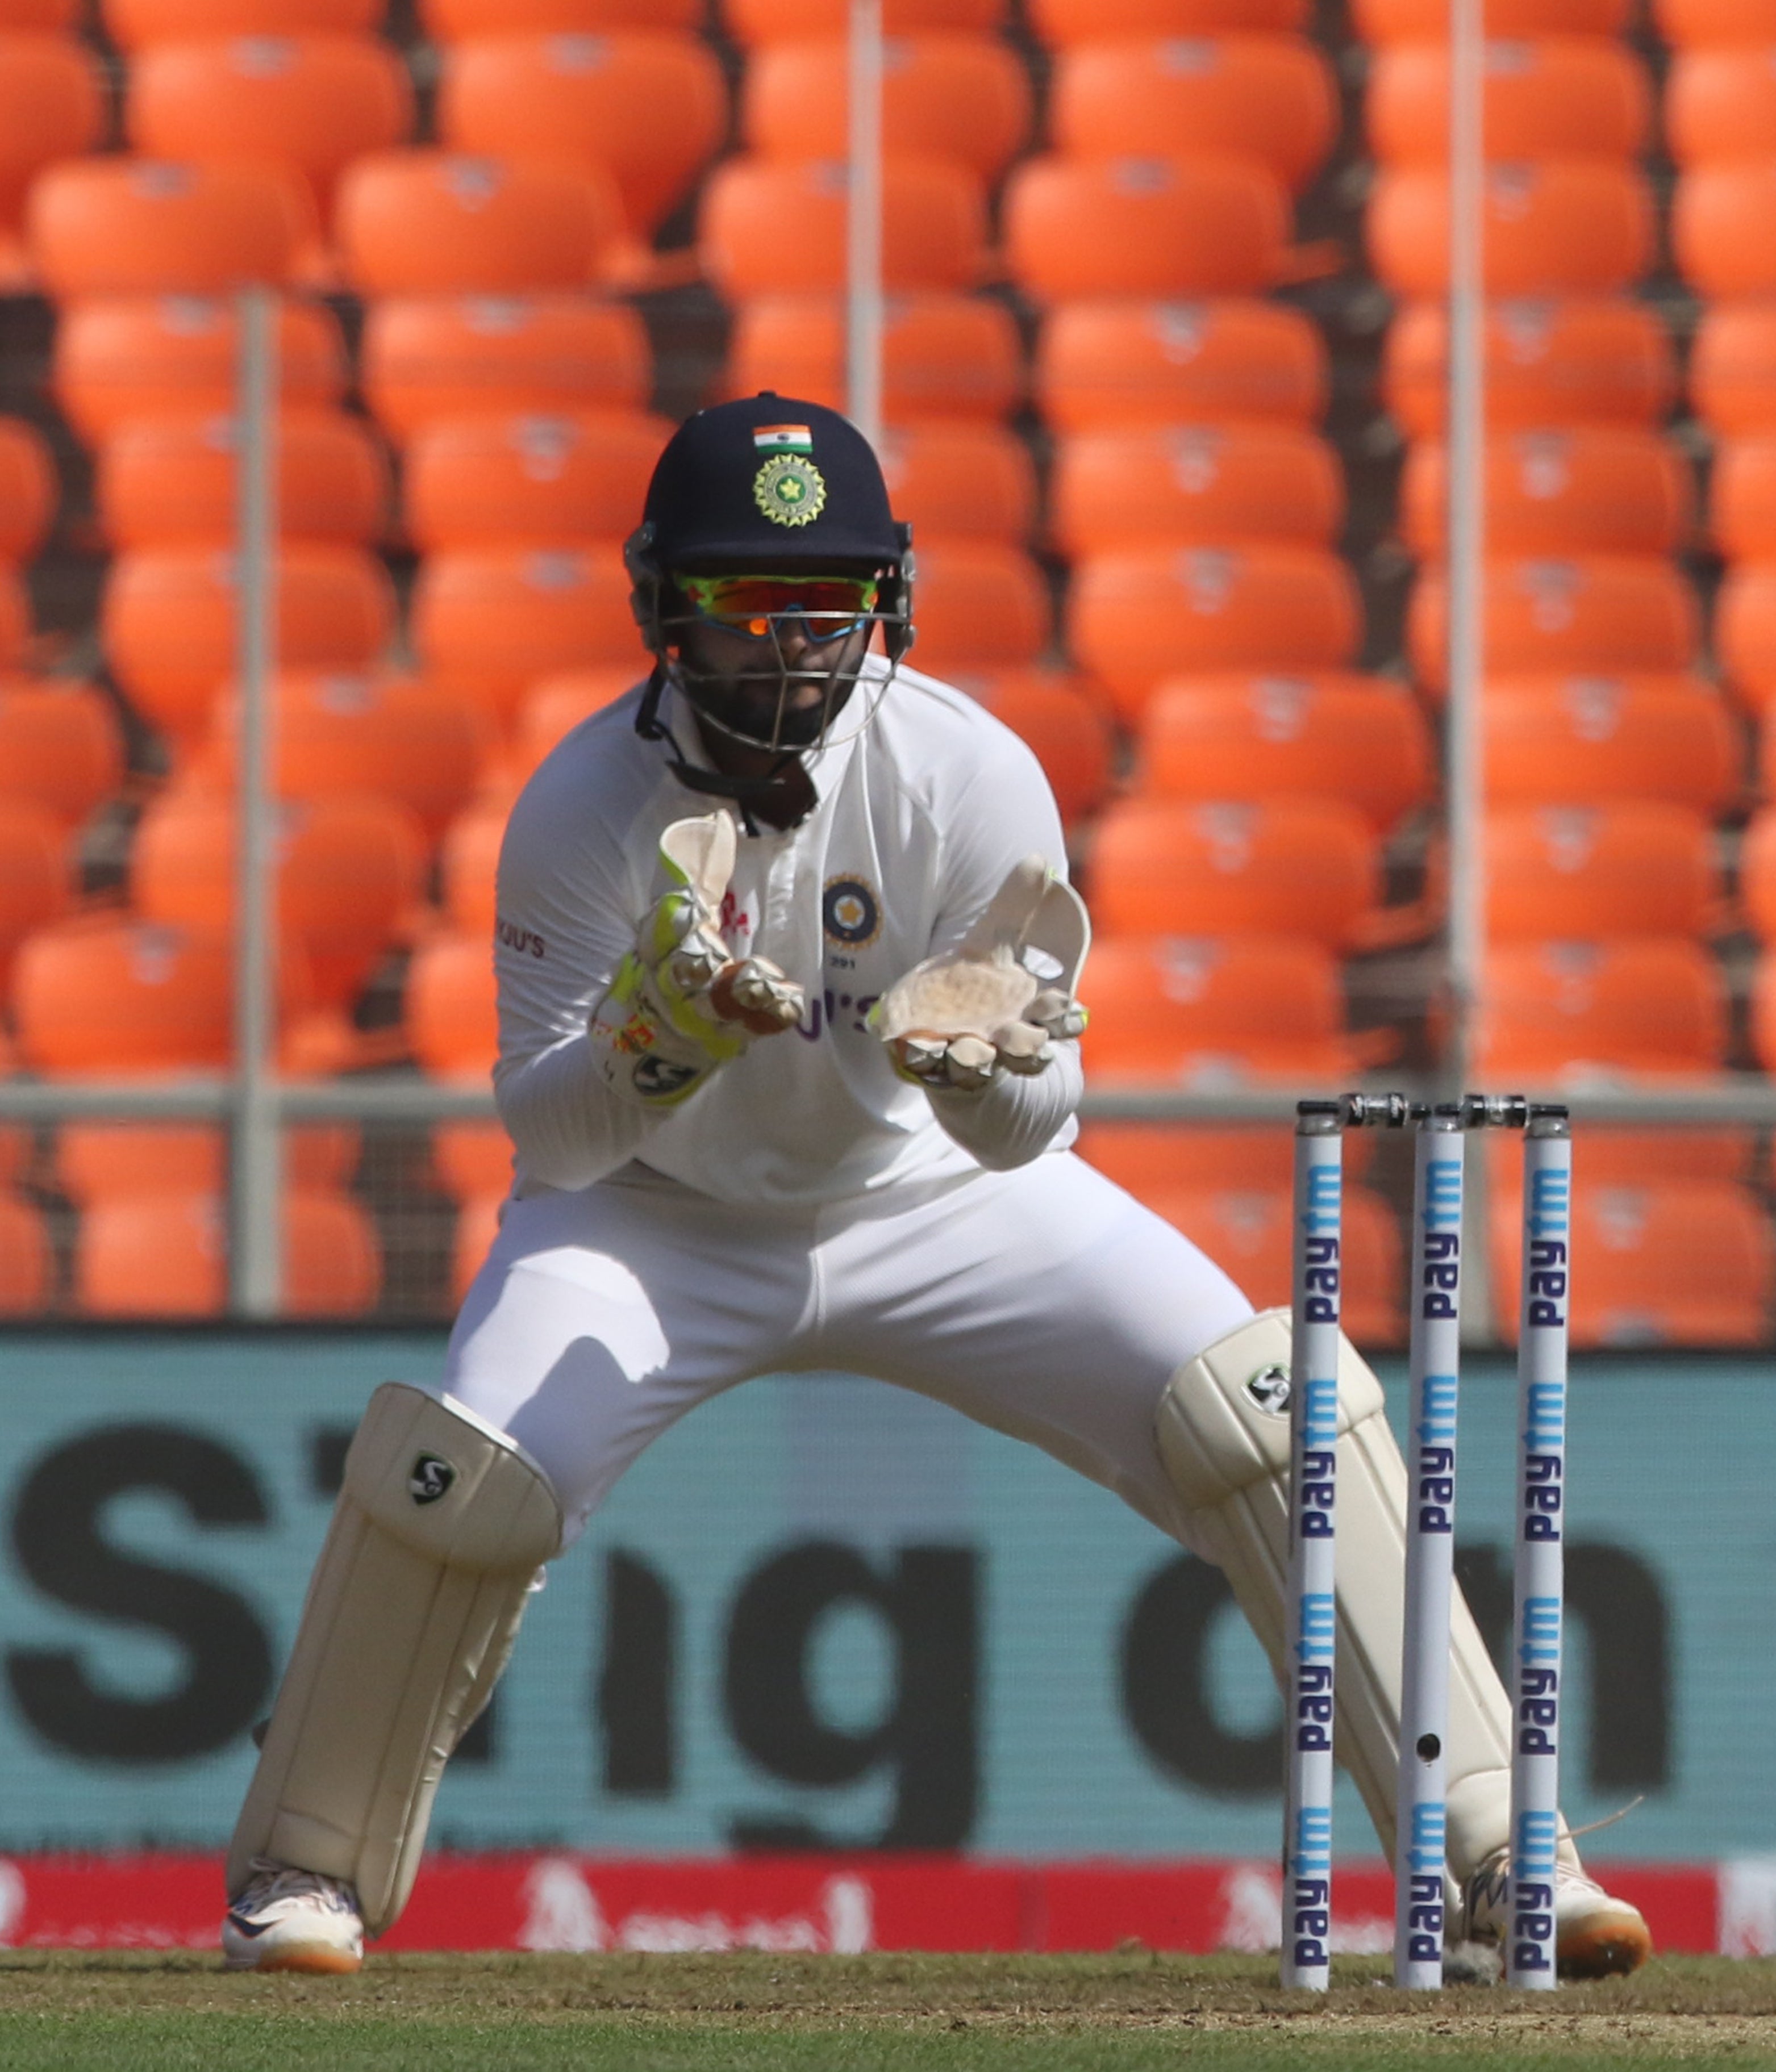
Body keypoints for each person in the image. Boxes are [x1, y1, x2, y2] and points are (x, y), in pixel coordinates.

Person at [216, 396, 1654, 1979]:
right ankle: (305, 1875)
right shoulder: (582, 806)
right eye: (745, 608)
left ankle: (1500, 1847)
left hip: (929, 1200)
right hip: (653, 1225)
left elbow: (1040, 1125)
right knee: (464, 1476)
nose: (787, 650)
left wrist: (975, 1070)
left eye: (824, 609)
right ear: (666, 613)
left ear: (882, 609)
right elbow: (554, 1143)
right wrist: (651, 1044)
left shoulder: (966, 775)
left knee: (1274, 1402)